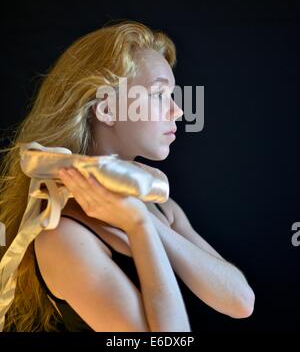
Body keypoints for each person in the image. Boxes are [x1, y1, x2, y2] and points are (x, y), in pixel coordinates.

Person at [0, 20, 255, 332]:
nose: (178, 111)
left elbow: (241, 301)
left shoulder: (161, 205)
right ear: (107, 109)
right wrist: (138, 225)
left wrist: (149, 222)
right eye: (160, 94)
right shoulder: (62, 235)